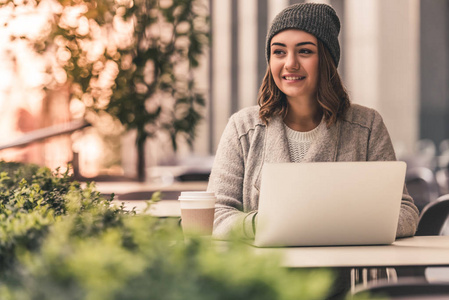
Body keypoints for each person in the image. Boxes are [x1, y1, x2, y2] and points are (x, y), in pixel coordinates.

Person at [207, 3, 419, 240]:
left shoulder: (367, 126)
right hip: (264, 274)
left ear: (327, 59)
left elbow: (406, 212)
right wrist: (269, 224)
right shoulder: (243, 127)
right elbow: (215, 215)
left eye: (305, 51)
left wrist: (335, 224)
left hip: (341, 274)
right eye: (279, 52)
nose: (290, 63)